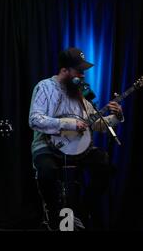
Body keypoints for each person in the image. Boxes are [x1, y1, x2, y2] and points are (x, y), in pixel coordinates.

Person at [29, 47, 124, 230]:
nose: (82, 74)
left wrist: (116, 117)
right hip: (47, 147)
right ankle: (54, 212)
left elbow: (96, 124)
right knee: (47, 171)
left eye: (83, 71)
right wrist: (70, 124)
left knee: (104, 164)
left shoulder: (81, 92)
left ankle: (81, 210)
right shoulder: (44, 87)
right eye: (78, 70)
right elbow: (34, 120)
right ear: (64, 70)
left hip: (78, 149)